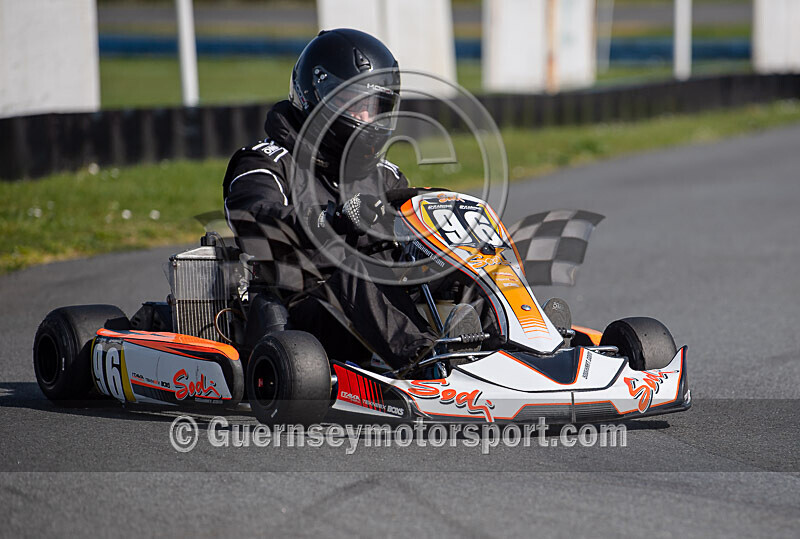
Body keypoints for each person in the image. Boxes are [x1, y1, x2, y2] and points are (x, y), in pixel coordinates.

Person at [223, 28, 441, 370]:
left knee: (454, 263)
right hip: (302, 306)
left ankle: (509, 346)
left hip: (378, 307)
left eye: (376, 107)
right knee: (353, 265)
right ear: (316, 97)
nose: (368, 119)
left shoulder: (385, 175)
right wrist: (333, 218)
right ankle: (428, 362)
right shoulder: (265, 160)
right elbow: (253, 219)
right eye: (356, 105)